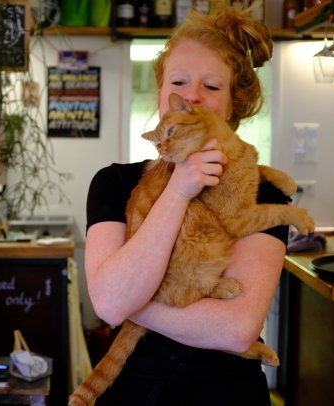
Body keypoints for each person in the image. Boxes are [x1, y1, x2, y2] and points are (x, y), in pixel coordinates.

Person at [84, 7, 288, 405]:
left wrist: (132, 304)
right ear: (162, 97)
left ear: (231, 106)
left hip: (227, 393)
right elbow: (109, 301)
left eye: (212, 87)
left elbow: (237, 330)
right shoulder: (114, 183)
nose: (193, 95)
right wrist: (178, 189)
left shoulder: (265, 194)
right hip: (134, 390)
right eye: (179, 82)